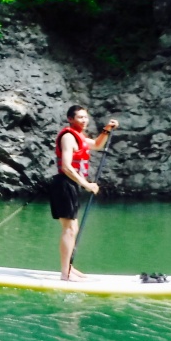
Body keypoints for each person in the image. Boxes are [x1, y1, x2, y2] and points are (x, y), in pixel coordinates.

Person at [49, 105, 118, 281]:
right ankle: (66, 272)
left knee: (73, 228)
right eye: (80, 117)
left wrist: (106, 130)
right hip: (64, 184)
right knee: (70, 229)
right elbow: (66, 166)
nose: (84, 120)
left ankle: (69, 267)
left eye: (85, 117)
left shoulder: (79, 137)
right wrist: (86, 184)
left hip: (71, 185)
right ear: (70, 119)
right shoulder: (67, 137)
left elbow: (96, 144)